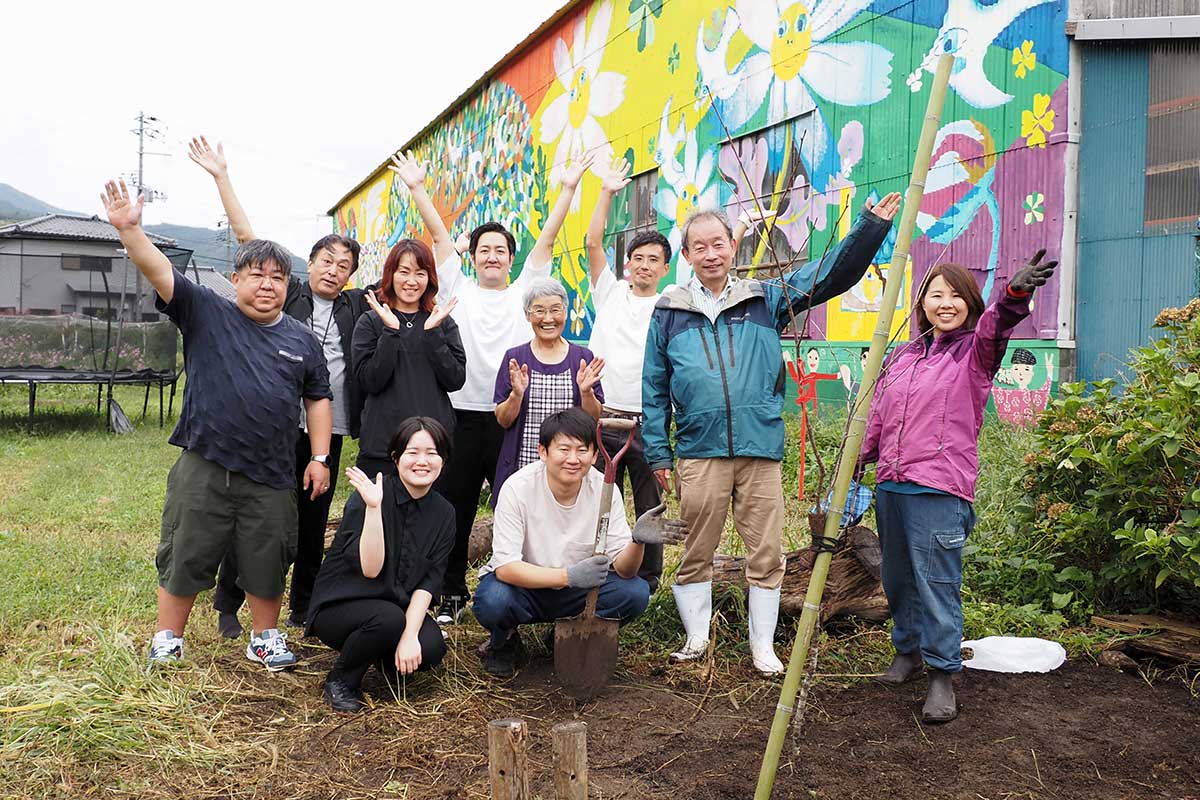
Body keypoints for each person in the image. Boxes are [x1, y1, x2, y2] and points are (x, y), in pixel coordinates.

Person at [642, 194, 901, 675]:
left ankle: (762, 646)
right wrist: (657, 448)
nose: (711, 253)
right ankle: (697, 638)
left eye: (718, 243)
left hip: (759, 446)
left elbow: (829, 275)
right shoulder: (669, 311)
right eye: (699, 247)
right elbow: (654, 385)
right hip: (700, 448)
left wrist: (869, 228)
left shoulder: (764, 298)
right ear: (688, 256)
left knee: (766, 549)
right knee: (697, 546)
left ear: (732, 247)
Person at [101, 178, 333, 671]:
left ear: (288, 285)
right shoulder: (207, 311)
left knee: (269, 556)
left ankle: (265, 637)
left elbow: (317, 399)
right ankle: (168, 637)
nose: (267, 284)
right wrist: (129, 232)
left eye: (277, 277)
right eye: (256, 275)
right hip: (205, 462)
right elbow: (160, 272)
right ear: (236, 279)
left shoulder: (303, 340)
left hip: (271, 472)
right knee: (185, 549)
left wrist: (318, 457)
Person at [394, 149, 595, 625]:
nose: (491, 256)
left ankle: (515, 581)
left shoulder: (526, 293)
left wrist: (567, 189)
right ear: (475, 256)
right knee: (456, 504)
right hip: (460, 416)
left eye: (500, 250)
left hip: (514, 419)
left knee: (516, 500)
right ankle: (450, 592)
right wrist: (418, 188)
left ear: (510, 260)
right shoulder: (455, 288)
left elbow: (546, 240)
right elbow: (441, 237)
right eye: (483, 249)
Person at [858, 251, 1058, 723]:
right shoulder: (903, 355)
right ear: (922, 302)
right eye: (935, 295)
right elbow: (880, 418)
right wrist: (856, 465)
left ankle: (942, 676)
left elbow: (997, 325)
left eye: (954, 296)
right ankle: (906, 652)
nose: (944, 304)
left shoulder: (975, 353)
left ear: (968, 302)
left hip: (940, 488)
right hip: (892, 485)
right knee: (898, 579)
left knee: (937, 584)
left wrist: (1014, 294)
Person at [188, 136, 370, 635]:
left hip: (324, 432)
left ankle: (303, 608)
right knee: (251, 516)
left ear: (352, 275)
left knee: (311, 526)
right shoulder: (285, 292)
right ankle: (228, 604)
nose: (334, 271)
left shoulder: (357, 307)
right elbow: (248, 239)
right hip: (269, 427)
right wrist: (222, 178)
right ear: (307, 265)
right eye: (326, 262)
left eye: (344, 266)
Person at [472, 408, 687, 677]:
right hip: (526, 588)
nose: (573, 459)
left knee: (635, 593)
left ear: (595, 455)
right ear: (543, 451)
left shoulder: (605, 491)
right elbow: (506, 568)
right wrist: (568, 576)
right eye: (563, 449)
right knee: (493, 599)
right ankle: (505, 642)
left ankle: (567, 633)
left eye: (582, 450)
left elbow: (625, 570)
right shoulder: (518, 488)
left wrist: (637, 542)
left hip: (578, 594)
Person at [307, 417, 456, 712]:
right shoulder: (370, 495)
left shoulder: (444, 513)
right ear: (396, 457)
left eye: (431, 453)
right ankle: (342, 680)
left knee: (431, 647)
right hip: (342, 606)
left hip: (394, 608)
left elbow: (429, 583)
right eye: (413, 452)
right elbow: (370, 569)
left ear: (443, 460)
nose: (422, 461)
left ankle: (384, 656)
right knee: (388, 620)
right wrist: (374, 510)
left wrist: (411, 637)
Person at [583, 156, 672, 591]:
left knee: (649, 502)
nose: (644, 265)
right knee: (598, 497)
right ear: (628, 264)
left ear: (665, 268)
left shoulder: (672, 302)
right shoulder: (611, 293)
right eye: (637, 258)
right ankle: (597, 565)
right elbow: (592, 243)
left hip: (650, 420)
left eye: (654, 259)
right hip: (602, 414)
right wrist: (606, 192)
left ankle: (648, 578)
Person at [353, 238, 465, 478]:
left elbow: (455, 379)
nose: (412, 281)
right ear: (391, 274)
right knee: (378, 513)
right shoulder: (371, 321)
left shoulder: (441, 322)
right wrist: (391, 332)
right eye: (404, 272)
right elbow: (369, 381)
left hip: (433, 449)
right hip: (382, 447)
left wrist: (433, 334)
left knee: (433, 514)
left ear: (430, 278)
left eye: (420, 273)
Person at [492, 278, 604, 503]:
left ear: (566, 311)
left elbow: (594, 418)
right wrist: (516, 394)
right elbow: (503, 420)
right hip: (524, 465)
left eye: (555, 309)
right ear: (527, 315)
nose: (548, 318)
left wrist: (585, 393)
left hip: (569, 467)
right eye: (539, 310)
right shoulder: (515, 358)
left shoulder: (582, 358)